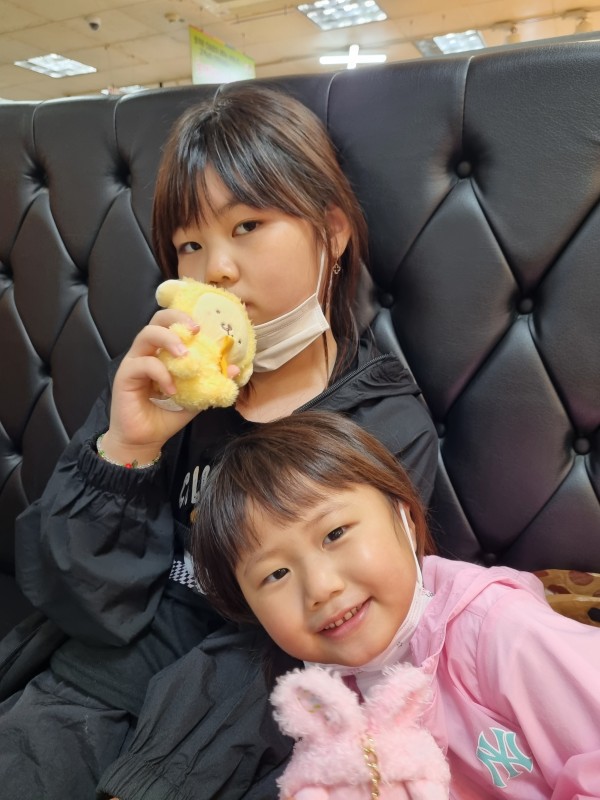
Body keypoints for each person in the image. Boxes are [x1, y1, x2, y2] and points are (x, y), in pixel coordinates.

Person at [0, 84, 438, 799]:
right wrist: (128, 450)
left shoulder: (378, 424)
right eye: (191, 245)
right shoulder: (157, 379)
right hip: (87, 690)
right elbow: (79, 603)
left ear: (332, 232)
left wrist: (154, 776)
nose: (218, 270)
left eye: (248, 226)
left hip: (240, 730)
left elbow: (316, 640)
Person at [191, 410, 600, 799]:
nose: (320, 588)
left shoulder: (499, 630)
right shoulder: (320, 699)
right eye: (276, 574)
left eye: (335, 534)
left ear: (404, 517)